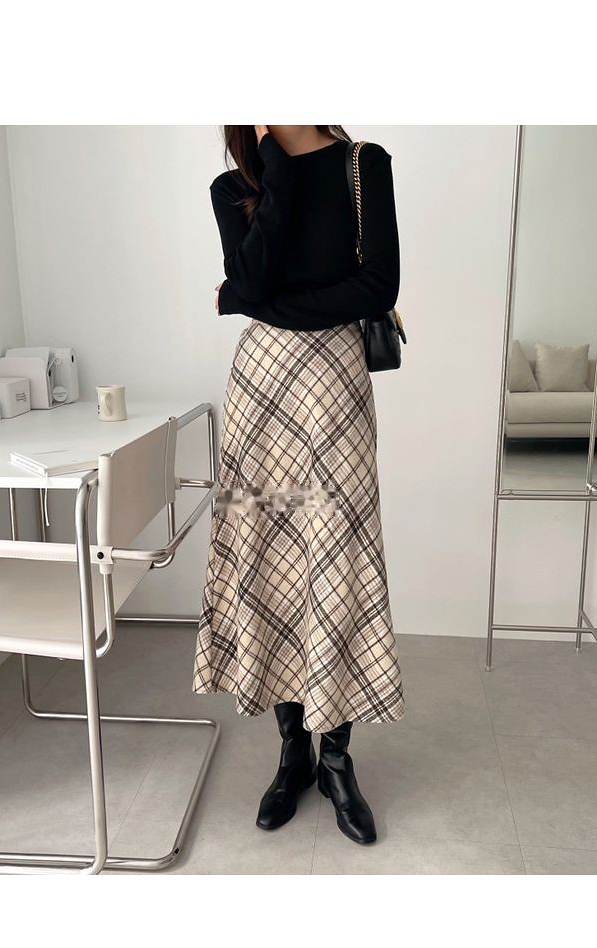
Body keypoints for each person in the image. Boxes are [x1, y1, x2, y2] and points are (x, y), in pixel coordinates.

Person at [193, 125, 405, 845]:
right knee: (272, 563)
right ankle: (295, 753)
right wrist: (275, 172)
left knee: (337, 563)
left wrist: (251, 300)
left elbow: (377, 286)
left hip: (334, 393)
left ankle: (337, 759)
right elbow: (253, 283)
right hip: (262, 396)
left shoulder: (362, 165)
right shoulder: (236, 188)